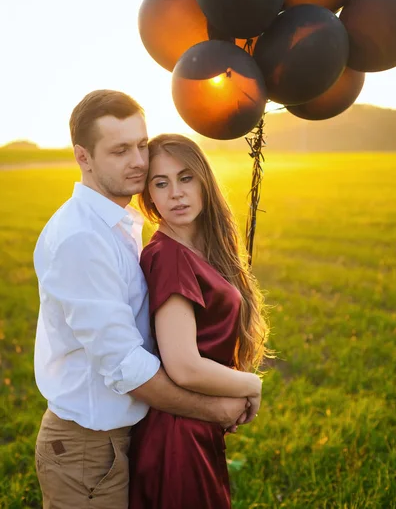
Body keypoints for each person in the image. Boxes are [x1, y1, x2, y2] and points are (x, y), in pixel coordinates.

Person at [33, 90, 251, 509]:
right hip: (87, 449)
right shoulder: (83, 238)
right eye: (119, 150)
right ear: (84, 157)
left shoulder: (121, 224)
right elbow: (126, 367)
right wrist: (217, 407)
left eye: (140, 145)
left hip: (124, 436)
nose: (138, 160)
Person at [129, 133, 270, 509]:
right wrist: (251, 385)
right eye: (161, 183)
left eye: (185, 177)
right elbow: (184, 366)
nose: (175, 192)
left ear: (204, 180)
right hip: (178, 434)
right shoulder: (170, 256)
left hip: (194, 425)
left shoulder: (197, 250)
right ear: (150, 197)